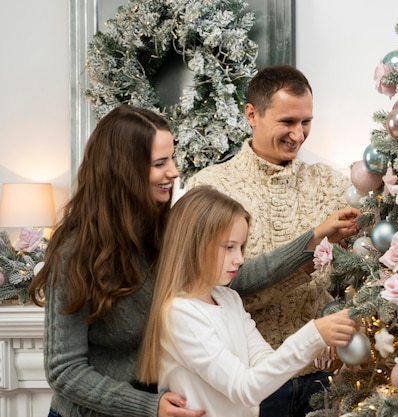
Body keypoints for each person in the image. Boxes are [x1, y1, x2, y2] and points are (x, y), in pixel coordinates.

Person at [27, 104, 358, 417]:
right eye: (160, 164)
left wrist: (315, 239)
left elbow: (231, 278)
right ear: (123, 171)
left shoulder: (163, 231)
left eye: (172, 158)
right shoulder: (75, 252)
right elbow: (64, 370)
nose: (174, 171)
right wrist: (146, 406)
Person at [187, 64, 354, 416]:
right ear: (252, 115)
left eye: (306, 121)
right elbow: (225, 289)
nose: (299, 134)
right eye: (287, 122)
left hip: (325, 380)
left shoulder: (329, 183)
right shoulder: (212, 188)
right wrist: (312, 243)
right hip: (249, 385)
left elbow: (353, 278)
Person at [136, 185, 357, 417]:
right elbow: (245, 389)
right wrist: (313, 336)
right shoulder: (180, 313)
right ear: (195, 245)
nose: (240, 259)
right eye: (229, 248)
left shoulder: (227, 298)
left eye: (241, 247)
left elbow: (264, 364)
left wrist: (317, 345)